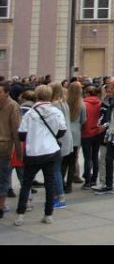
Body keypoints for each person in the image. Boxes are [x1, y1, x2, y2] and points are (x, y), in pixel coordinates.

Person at [13, 84, 65, 226]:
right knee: (49, 183)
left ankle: (20, 214)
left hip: (34, 152)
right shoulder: (56, 112)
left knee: (26, 184)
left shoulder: (30, 113)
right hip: (51, 151)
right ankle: (48, 214)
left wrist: (34, 137)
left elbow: (22, 134)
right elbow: (62, 131)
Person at [0, 81, 21, 220]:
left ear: (7, 92)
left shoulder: (12, 106)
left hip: (4, 147)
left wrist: (19, 151)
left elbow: (16, 129)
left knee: (3, 177)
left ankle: (1, 205)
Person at [80, 84, 102, 189]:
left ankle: (87, 181)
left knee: (87, 158)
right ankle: (94, 179)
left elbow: (82, 120)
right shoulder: (100, 103)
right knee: (95, 156)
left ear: (87, 93)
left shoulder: (83, 104)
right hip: (97, 132)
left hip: (86, 133)